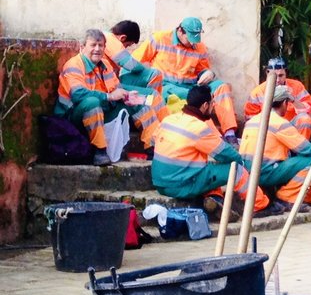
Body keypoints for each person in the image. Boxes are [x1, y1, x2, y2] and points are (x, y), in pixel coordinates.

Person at [151, 84, 270, 218]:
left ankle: (215, 198)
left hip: (160, 183)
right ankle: (260, 206)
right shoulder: (199, 128)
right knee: (237, 170)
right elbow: (228, 155)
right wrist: (242, 162)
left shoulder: (169, 119)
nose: (213, 107)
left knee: (209, 168)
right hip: (181, 185)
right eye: (212, 104)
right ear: (205, 105)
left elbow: (153, 141)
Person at [55, 29, 164, 165]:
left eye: (101, 46)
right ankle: (100, 150)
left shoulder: (105, 64)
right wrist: (109, 96)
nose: (97, 49)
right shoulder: (73, 65)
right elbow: (78, 94)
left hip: (101, 112)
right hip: (73, 117)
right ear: (82, 47)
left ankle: (153, 149)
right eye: (93, 45)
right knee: (92, 102)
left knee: (139, 102)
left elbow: (115, 87)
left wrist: (126, 95)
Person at [138, 16, 240, 145]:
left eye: (195, 40)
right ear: (180, 31)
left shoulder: (199, 47)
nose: (192, 43)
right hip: (166, 87)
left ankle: (230, 133)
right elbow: (136, 62)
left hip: (191, 86)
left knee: (221, 87)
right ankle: (214, 137)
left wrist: (208, 73)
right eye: (190, 39)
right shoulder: (158, 39)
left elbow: (202, 69)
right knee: (197, 97)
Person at [241, 84, 311, 209]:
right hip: (265, 173)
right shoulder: (279, 123)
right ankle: (287, 196)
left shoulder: (252, 121)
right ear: (284, 103)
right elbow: (306, 149)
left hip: (249, 173)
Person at [102, 21, 167, 147]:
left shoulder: (106, 38)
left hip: (112, 85)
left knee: (154, 81)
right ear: (123, 38)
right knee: (151, 98)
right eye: (127, 45)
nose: (126, 48)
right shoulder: (110, 40)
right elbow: (131, 65)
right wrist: (142, 68)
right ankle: (167, 133)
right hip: (110, 89)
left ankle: (161, 130)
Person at [243, 57, 311, 140]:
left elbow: (308, 111)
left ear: (286, 73)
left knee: (305, 119)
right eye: (274, 76)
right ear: (267, 73)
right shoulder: (257, 92)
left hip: (292, 126)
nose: (277, 80)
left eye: (281, 75)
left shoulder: (297, 86)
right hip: (269, 128)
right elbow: (250, 120)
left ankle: (301, 149)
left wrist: (293, 99)